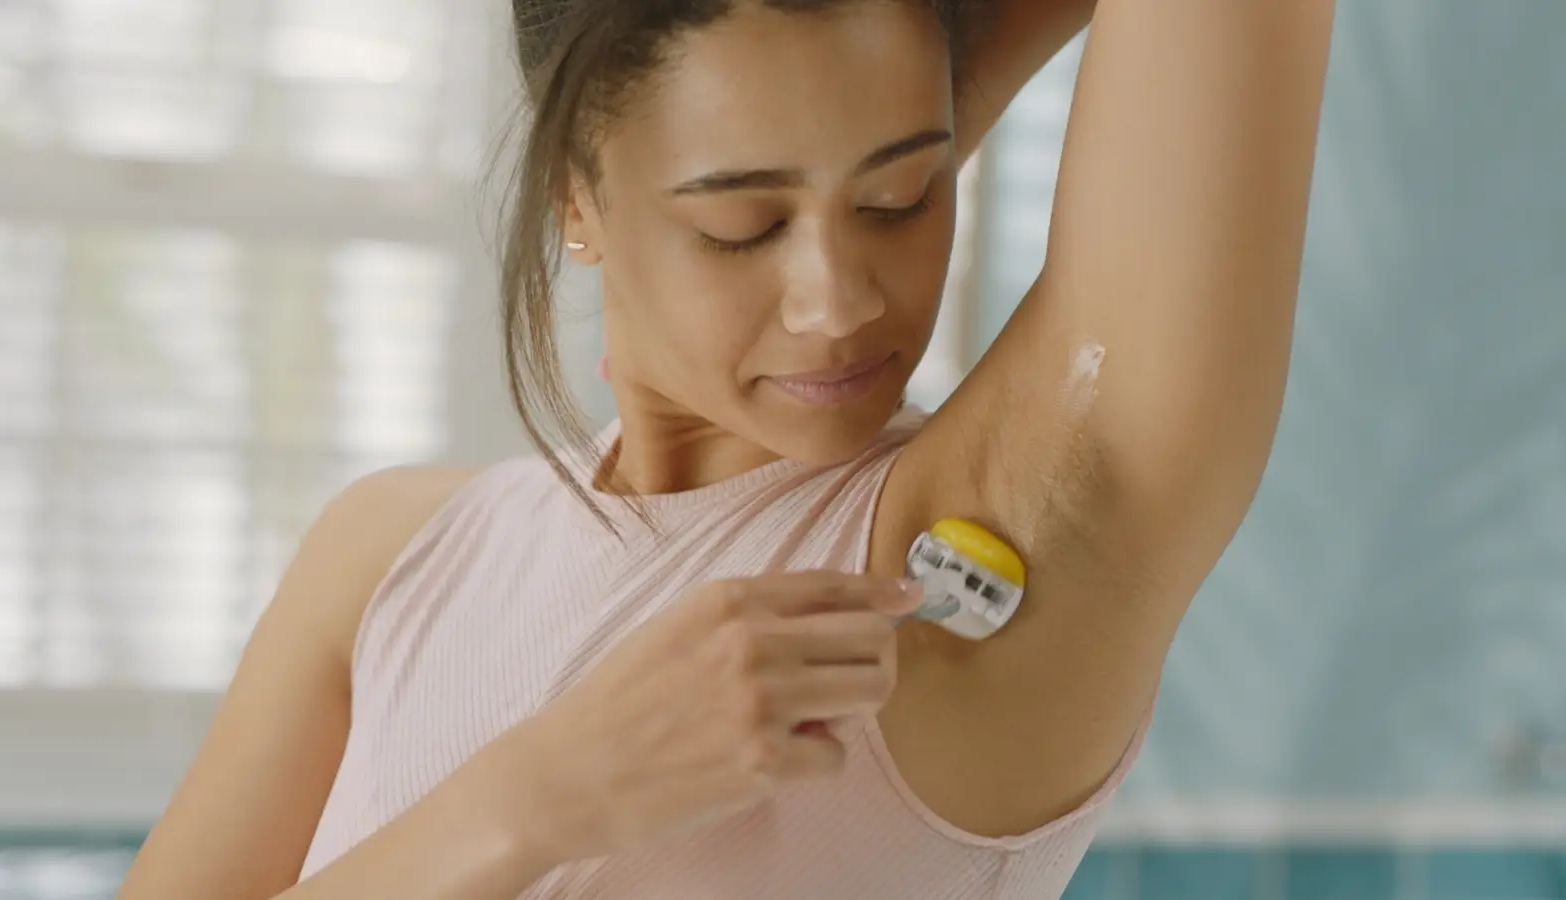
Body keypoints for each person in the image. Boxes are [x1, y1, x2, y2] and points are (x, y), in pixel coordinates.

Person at [117, 0, 1336, 897]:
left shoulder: (981, 551)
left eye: (900, 198)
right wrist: (536, 798)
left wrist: (871, 73)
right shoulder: (385, 559)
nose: (837, 302)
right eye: (741, 225)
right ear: (576, 205)